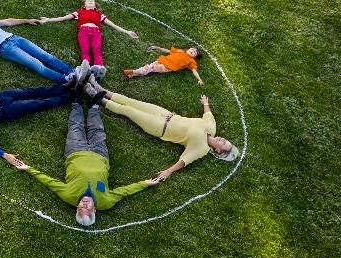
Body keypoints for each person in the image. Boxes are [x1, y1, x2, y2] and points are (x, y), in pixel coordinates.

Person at [12, 87, 159, 226]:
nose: (84, 205)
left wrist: (28, 168)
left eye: (81, 208)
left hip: (75, 151)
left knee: (75, 126)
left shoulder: (68, 196)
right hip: (100, 154)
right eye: (87, 209)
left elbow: (49, 182)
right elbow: (124, 192)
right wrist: (144, 183)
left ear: (76, 208)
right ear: (94, 210)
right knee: (97, 129)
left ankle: (76, 102)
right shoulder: (105, 202)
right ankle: (94, 106)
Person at [83, 76, 239, 182]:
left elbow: (184, 161)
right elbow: (208, 114)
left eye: (224, 144)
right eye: (226, 140)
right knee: (131, 101)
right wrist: (205, 103)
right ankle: (99, 88)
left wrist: (168, 171)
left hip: (158, 127)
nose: (223, 139)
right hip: (165, 114)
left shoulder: (202, 148)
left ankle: (95, 96)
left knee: (128, 110)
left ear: (218, 151)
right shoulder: (211, 127)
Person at [0, 10, 80, 83]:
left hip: (15, 38)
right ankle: (65, 79)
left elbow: (7, 21)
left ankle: (72, 71)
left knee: (45, 55)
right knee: (36, 63)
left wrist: (27, 20)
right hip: (5, 48)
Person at [38, 0, 139, 77]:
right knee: (85, 49)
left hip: (96, 32)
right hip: (83, 31)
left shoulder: (99, 14)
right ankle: (85, 68)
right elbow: (63, 18)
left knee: (96, 49)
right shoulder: (79, 12)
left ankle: (99, 67)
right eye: (88, 0)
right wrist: (49, 19)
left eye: (92, 1)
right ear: (84, 5)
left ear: (95, 6)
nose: (90, 1)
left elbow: (113, 24)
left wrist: (127, 32)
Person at [124, 45, 204, 85]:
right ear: (188, 49)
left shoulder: (191, 61)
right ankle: (133, 74)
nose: (192, 51)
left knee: (150, 68)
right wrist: (158, 48)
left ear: (195, 57)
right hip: (161, 60)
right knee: (149, 68)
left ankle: (133, 71)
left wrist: (199, 79)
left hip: (166, 67)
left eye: (194, 53)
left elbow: (194, 71)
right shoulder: (180, 51)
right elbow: (168, 51)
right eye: (192, 49)